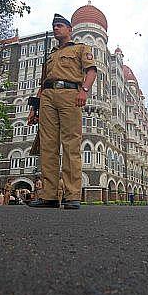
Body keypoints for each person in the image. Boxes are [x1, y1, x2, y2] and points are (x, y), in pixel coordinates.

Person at [27, 14, 97, 209]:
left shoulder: (81, 48)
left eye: (59, 25)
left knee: (70, 145)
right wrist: (35, 107)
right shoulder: (49, 56)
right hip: (48, 96)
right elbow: (43, 83)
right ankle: (49, 196)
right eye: (54, 26)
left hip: (70, 94)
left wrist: (84, 90)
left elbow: (91, 71)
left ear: (69, 29)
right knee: (48, 147)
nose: (56, 28)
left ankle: (72, 195)